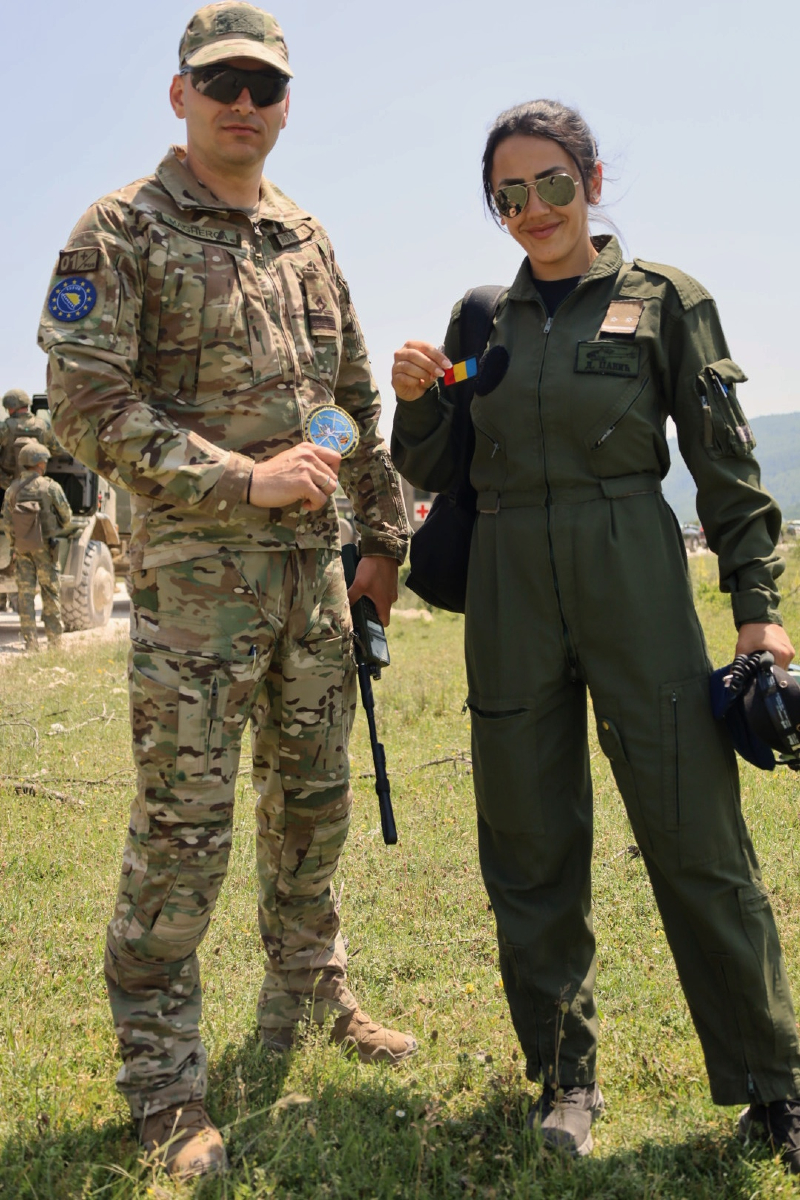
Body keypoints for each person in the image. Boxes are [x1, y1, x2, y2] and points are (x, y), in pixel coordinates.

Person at [38, 2, 413, 1181]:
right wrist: (241, 478)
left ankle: (311, 989)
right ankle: (162, 1080)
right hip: (198, 594)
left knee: (313, 806)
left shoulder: (305, 237)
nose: (243, 104)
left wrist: (382, 538)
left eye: (264, 87)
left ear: (285, 105)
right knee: (183, 834)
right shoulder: (120, 229)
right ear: (180, 96)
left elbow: (352, 398)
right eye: (221, 84)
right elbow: (86, 405)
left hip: (312, 587)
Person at [391, 100, 800, 1169]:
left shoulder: (666, 302)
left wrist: (757, 610)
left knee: (697, 837)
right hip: (509, 590)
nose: (533, 209)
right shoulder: (485, 320)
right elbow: (432, 468)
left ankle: (772, 1086)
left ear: (592, 181)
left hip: (632, 576)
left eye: (553, 184)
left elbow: (724, 468)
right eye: (509, 195)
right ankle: (563, 1078)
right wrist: (415, 401)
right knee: (527, 843)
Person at [1, 442, 72, 652]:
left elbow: (6, 523)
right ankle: (54, 644)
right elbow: (67, 517)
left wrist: (15, 546)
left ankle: (30, 644)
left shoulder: (12, 489)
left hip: (22, 549)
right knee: (50, 594)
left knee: (25, 596)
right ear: (40, 463)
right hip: (46, 550)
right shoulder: (50, 487)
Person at [0, 389, 61, 489]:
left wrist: (4, 480)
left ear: (11, 408)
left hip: (8, 484)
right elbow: (57, 450)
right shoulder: (43, 426)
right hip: (35, 484)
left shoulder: (5, 427)